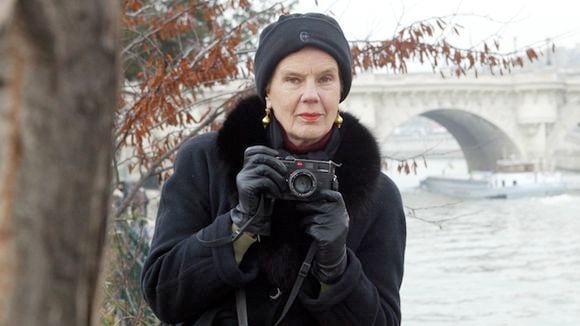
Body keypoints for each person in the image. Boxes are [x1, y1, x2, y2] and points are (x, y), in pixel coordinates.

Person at [141, 12, 406, 325]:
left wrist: (337, 267)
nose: (311, 96)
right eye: (293, 80)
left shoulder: (378, 195)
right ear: (268, 91)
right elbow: (163, 296)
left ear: (340, 91)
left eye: (325, 79)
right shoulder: (205, 162)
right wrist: (237, 227)